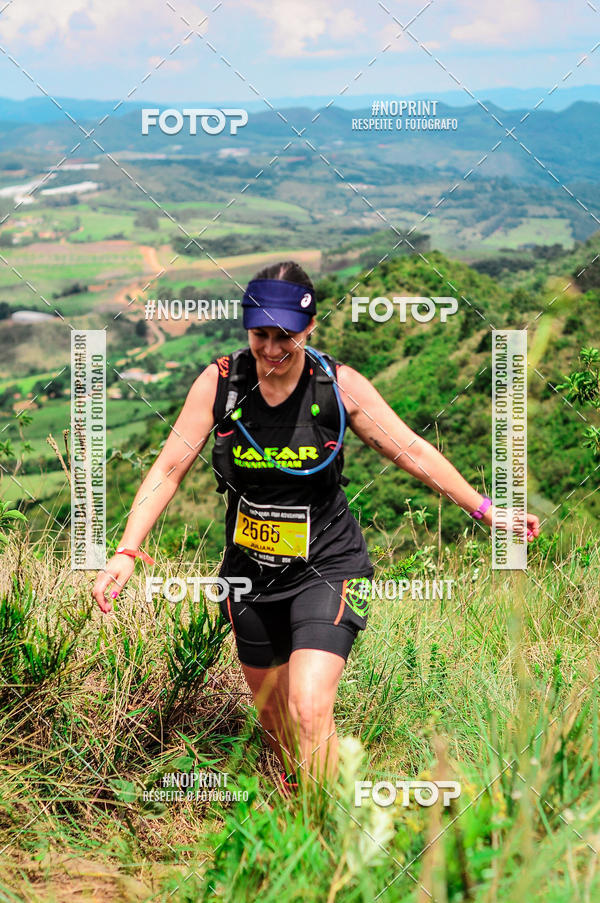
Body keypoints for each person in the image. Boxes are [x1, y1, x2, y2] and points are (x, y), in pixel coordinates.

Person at [93, 259, 540, 794]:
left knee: (308, 709)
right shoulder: (222, 383)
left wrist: (487, 512)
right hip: (248, 578)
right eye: (261, 334)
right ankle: (300, 823)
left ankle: (336, 840)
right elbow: (168, 469)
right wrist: (125, 551)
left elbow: (409, 450)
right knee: (278, 727)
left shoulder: (337, 386)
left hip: (327, 567)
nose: (272, 348)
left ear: (309, 329)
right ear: (247, 329)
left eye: (286, 335)